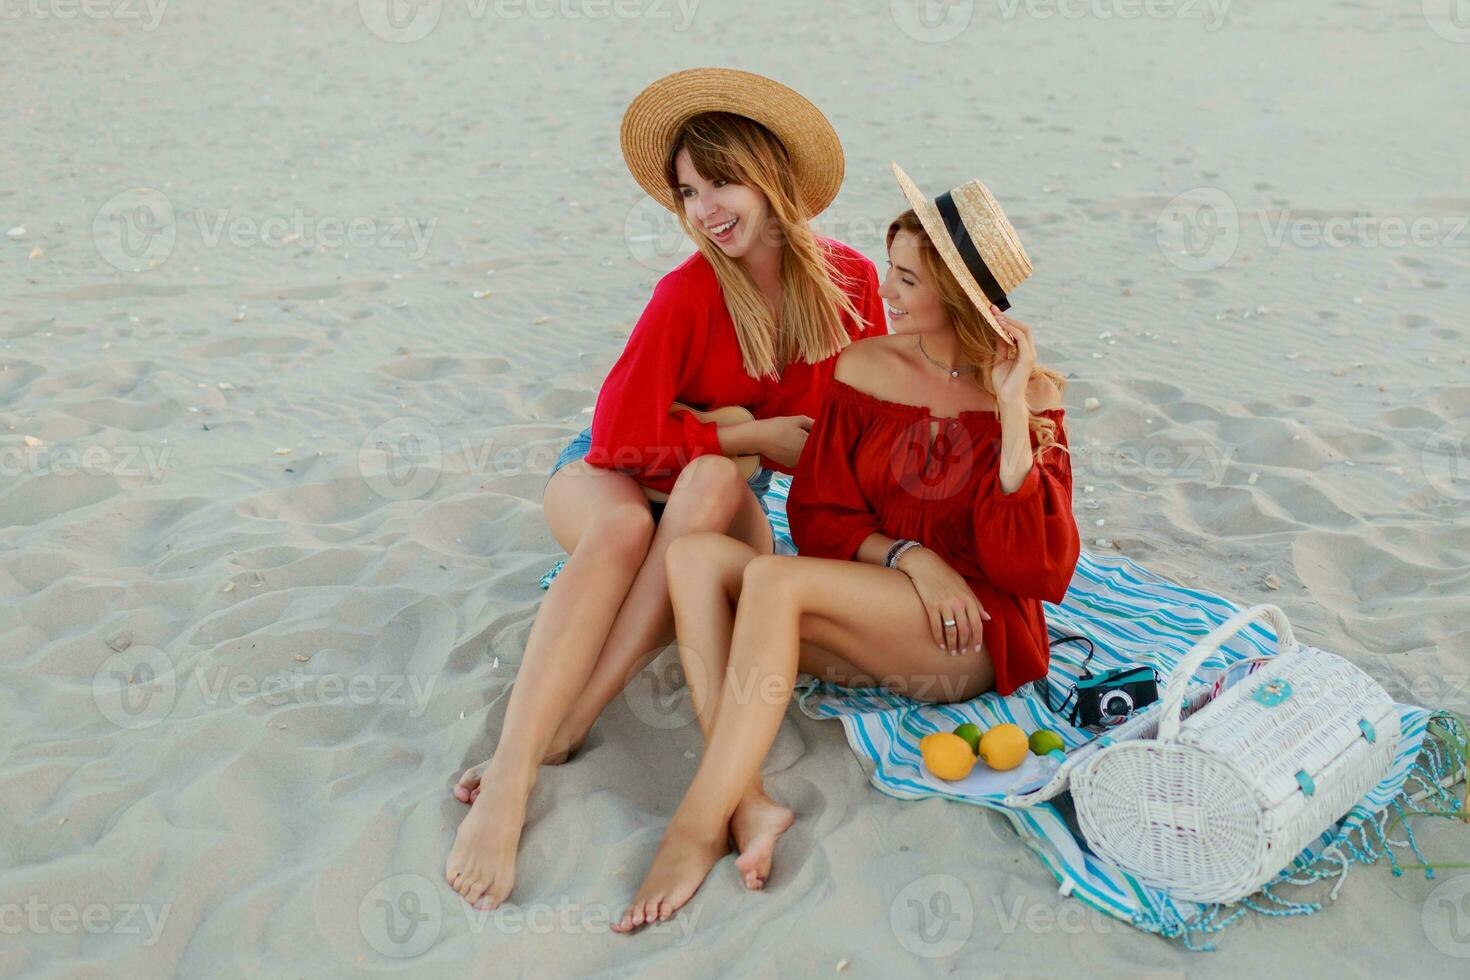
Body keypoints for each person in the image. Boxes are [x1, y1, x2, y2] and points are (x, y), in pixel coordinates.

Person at [444, 68, 886, 912]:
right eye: (688, 191)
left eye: (722, 181)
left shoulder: (851, 285)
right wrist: (753, 434)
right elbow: (616, 438)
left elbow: (868, 425)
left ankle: (574, 724)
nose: (706, 208)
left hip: (707, 488)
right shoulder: (686, 294)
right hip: (612, 471)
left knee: (712, 481)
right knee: (622, 534)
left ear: (772, 177)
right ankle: (511, 774)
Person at [611, 163, 1081, 932]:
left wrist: (1006, 419)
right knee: (696, 559)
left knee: (773, 582)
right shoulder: (864, 367)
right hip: (872, 612)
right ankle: (751, 801)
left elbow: (1036, 569)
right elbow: (821, 514)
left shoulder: (1032, 400)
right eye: (889, 271)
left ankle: (697, 826)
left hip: (969, 636)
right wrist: (908, 557)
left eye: (904, 280)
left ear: (958, 297)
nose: (882, 294)